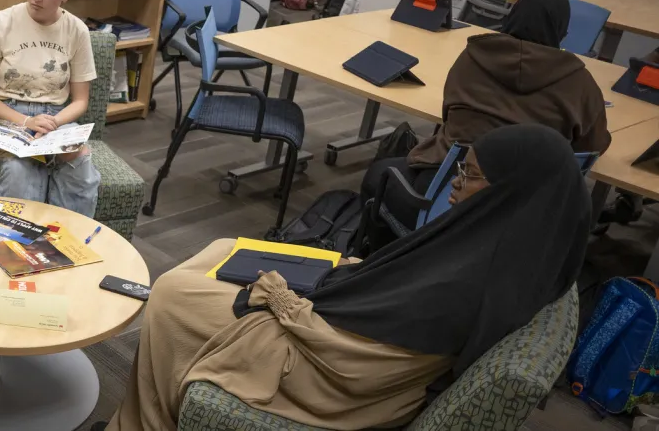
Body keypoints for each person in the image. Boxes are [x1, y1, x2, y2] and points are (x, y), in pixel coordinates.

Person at [98, 124, 589, 431]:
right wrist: (338, 276)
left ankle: (146, 423)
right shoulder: (511, 246)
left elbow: (358, 359)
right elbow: (398, 285)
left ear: (509, 191)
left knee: (171, 293)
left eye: (471, 176)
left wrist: (290, 303)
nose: (456, 186)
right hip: (343, 322)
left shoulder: (469, 280)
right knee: (227, 248)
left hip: (327, 366)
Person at [361, 0, 609, 244]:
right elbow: (593, 146)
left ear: (510, 17)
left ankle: (376, 261)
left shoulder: (473, 57)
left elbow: (448, 116)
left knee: (379, 174)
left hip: (445, 192)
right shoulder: (581, 83)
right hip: (524, 211)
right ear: (562, 33)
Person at [0, 0, 101, 217]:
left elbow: (80, 100)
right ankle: (16, 249)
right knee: (20, 175)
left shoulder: (76, 30)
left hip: (55, 117)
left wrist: (52, 123)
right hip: (8, 115)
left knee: (81, 171)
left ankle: (66, 244)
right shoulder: (3, 22)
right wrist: (25, 122)